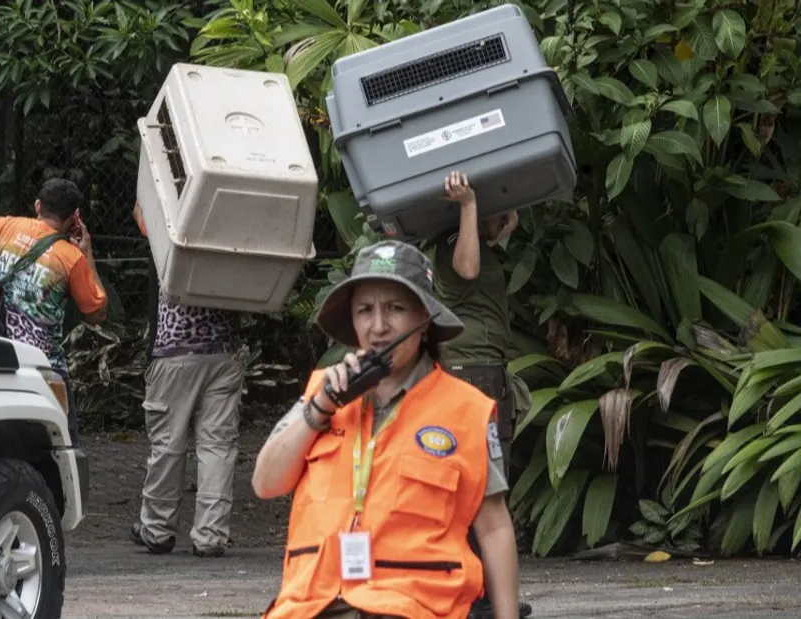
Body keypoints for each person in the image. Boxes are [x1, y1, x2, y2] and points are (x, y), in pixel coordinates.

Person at [252, 240, 521, 619]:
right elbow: (265, 483)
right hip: (313, 606)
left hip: (414, 607)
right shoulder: (323, 391)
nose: (378, 326)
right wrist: (321, 407)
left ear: (424, 321)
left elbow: (493, 527)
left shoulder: (467, 409)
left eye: (395, 308)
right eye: (365, 310)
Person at [426, 170, 531, 619]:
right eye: (498, 210)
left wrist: (499, 215)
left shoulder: (481, 244)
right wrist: (469, 204)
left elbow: (500, 233)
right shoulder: (455, 243)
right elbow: (467, 268)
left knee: (485, 486)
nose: (506, 218)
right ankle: (478, 599)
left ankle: (483, 594)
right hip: (471, 378)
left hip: (483, 376)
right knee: (480, 491)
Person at [0, 178, 108, 445]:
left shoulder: (4, 226)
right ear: (74, 218)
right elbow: (96, 314)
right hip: (43, 369)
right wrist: (87, 255)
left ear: (38, 205)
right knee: (61, 446)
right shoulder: (71, 258)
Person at [129, 200, 245, 558]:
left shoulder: (171, 228)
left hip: (176, 353)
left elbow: (141, 210)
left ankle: (157, 529)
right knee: (217, 446)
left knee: (168, 444)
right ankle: (210, 535)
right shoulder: (235, 235)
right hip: (224, 352)